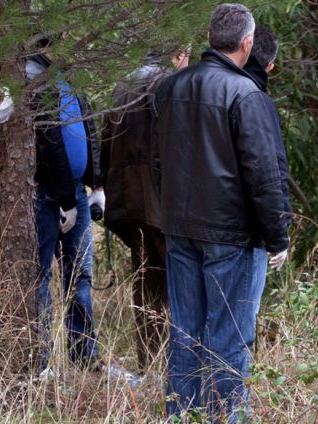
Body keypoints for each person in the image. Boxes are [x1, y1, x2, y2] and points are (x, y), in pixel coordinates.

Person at [153, 3, 290, 421]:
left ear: (212, 38)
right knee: (229, 338)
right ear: (246, 44)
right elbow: (264, 175)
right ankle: (225, 417)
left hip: (180, 227)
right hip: (229, 234)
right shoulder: (245, 94)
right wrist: (278, 236)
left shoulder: (170, 88)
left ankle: (182, 415)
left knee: (186, 333)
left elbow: (158, 162)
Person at [27, 38, 136, 383]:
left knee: (79, 279)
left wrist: (97, 184)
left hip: (74, 193)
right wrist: (65, 201)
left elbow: (86, 126)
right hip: (47, 196)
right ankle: (40, 363)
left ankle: (86, 358)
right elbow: (50, 143)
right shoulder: (32, 78)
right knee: (40, 280)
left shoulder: (67, 76)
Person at [100, 47, 190, 376]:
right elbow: (177, 148)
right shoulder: (170, 84)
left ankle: (150, 369)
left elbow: (105, 144)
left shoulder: (121, 86)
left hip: (128, 203)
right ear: (177, 53)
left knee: (146, 287)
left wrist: (102, 187)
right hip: (162, 205)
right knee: (182, 286)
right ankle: (183, 373)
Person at [243, 26, 292, 229]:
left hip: (180, 224)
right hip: (240, 227)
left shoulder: (187, 85)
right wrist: (281, 225)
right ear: (270, 66)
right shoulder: (256, 100)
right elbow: (270, 167)